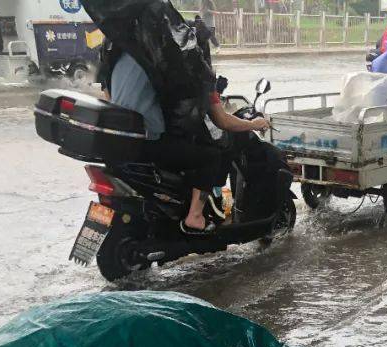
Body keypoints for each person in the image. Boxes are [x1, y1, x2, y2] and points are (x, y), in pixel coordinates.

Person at [101, 42, 269, 232]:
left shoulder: (119, 59)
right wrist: (255, 124)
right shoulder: (183, 67)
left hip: (121, 141)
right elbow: (222, 121)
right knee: (211, 156)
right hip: (149, 141)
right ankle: (194, 217)